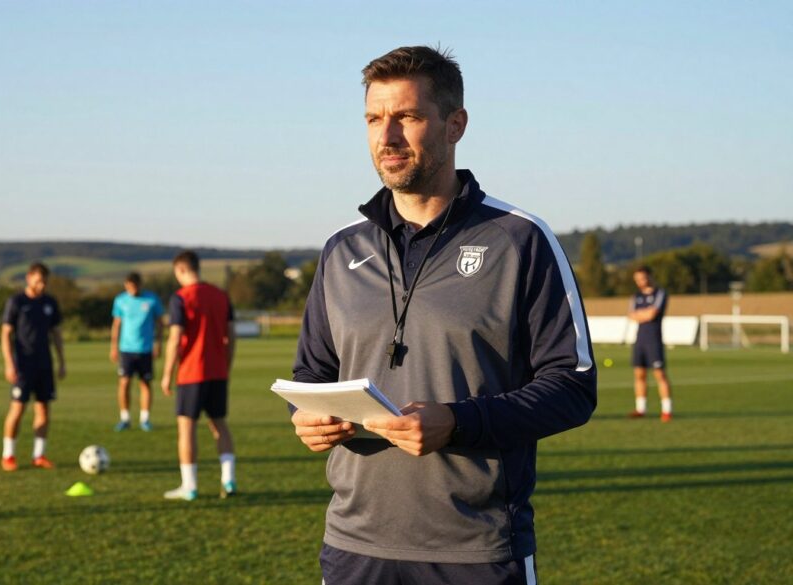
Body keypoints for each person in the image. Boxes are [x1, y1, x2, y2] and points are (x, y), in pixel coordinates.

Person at [289, 46, 597, 584]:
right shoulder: (341, 251)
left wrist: (458, 421)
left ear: (455, 125)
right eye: (373, 119)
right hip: (353, 546)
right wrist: (308, 418)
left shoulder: (520, 240)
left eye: (406, 117)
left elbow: (573, 386)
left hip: (475, 550)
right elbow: (312, 375)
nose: (386, 138)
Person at [160, 251, 237, 501]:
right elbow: (231, 336)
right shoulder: (220, 295)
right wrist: (226, 364)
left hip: (191, 373)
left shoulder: (181, 298)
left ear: (180, 270)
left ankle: (189, 487)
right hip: (217, 372)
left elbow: (174, 339)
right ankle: (229, 480)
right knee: (219, 425)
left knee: (186, 429)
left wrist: (167, 373)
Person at [0, 262, 66, 471]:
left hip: (44, 364)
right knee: (18, 408)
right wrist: (9, 364)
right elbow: (5, 335)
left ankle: (39, 455)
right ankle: (8, 455)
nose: (42, 285)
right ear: (29, 278)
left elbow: (56, 334)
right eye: (38, 281)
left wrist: (62, 361)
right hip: (23, 365)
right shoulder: (16, 301)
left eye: (45, 281)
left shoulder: (50, 302)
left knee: (44, 410)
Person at [110, 272, 164, 432]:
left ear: (140, 285)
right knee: (124, 382)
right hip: (126, 349)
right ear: (126, 285)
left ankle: (145, 419)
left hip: (145, 348)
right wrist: (113, 346)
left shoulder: (152, 299)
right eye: (129, 287)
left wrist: (158, 343)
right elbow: (116, 324)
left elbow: (160, 323)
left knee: (145, 383)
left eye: (135, 286)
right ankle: (125, 418)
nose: (132, 290)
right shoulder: (120, 301)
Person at [627, 266, 673, 422]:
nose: (641, 282)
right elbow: (632, 315)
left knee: (660, 374)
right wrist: (644, 314)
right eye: (638, 280)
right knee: (639, 374)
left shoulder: (660, 293)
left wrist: (643, 314)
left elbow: (653, 314)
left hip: (654, 339)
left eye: (643, 278)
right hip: (640, 339)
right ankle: (641, 408)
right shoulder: (636, 296)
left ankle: (667, 410)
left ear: (650, 277)